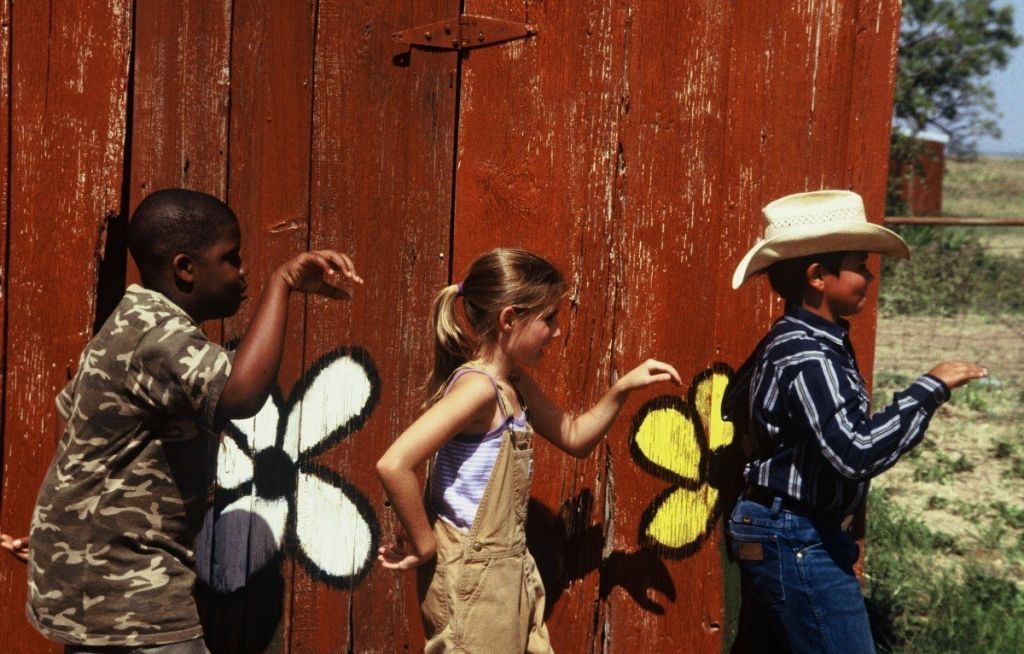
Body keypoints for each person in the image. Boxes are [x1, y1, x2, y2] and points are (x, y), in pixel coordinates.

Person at [1, 188, 361, 653]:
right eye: (230, 258)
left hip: (94, 572)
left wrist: (74, 516)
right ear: (185, 269)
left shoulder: (128, 323)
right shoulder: (156, 334)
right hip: (130, 583)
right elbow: (241, 394)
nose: (242, 270)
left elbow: (67, 417)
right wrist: (282, 283)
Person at [376, 247, 680, 653]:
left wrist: (623, 387)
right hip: (473, 581)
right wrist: (423, 543)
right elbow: (395, 463)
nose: (556, 332)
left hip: (511, 574)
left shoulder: (512, 383)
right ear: (508, 319)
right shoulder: (479, 388)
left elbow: (574, 436)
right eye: (549, 319)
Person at [726, 189, 988, 653]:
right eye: (859, 264)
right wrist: (930, 388)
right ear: (817, 276)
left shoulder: (798, 341)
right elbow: (855, 451)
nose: (870, 275)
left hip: (785, 529)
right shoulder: (810, 356)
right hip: (796, 535)